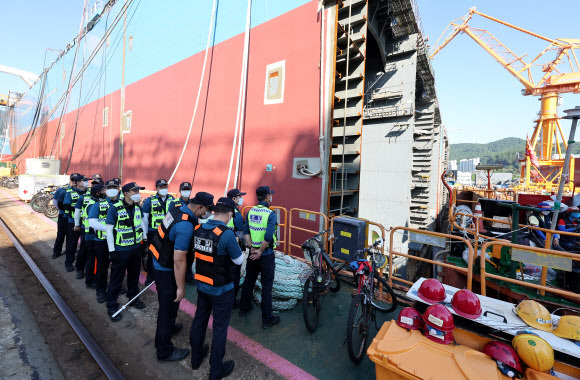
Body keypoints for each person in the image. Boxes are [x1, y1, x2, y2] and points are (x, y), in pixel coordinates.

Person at [148, 191, 215, 363]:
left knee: (171, 305)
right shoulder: (185, 226)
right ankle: (163, 350)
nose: (207, 214)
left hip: (158, 259)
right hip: (166, 268)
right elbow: (179, 261)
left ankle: (170, 327)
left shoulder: (178, 209)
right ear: (200, 207)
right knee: (167, 308)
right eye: (207, 210)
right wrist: (181, 287)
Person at [190, 197, 242, 379]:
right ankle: (216, 370)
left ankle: (195, 359)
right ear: (229, 215)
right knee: (220, 328)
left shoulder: (198, 228)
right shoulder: (226, 234)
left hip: (202, 285)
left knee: (200, 319)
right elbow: (238, 260)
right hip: (222, 289)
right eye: (231, 217)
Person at [105, 182, 148, 321]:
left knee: (134, 276)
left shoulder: (137, 207)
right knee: (116, 278)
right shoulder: (114, 209)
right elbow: (109, 229)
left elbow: (140, 222)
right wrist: (112, 251)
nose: (138, 193)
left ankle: (133, 297)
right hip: (121, 250)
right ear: (126, 193)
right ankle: (111, 306)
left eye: (138, 191)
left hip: (135, 248)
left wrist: (145, 239)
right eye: (135, 191)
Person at [239, 186, 280, 329]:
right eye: (270, 196)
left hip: (252, 254)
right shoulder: (270, 214)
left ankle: (244, 308)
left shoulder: (250, 212)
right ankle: (267, 319)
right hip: (265, 255)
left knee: (249, 281)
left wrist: (252, 249)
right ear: (268, 197)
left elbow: (246, 231)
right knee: (267, 287)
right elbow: (268, 236)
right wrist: (261, 251)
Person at [88, 180, 120, 303]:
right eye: (109, 187)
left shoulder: (122, 204)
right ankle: (101, 291)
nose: (112, 189)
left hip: (118, 241)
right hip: (102, 241)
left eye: (114, 187)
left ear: (118, 189)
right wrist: (111, 230)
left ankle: (114, 287)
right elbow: (92, 222)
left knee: (117, 266)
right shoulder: (98, 205)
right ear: (105, 190)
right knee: (102, 266)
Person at [143, 179, 174, 284]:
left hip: (167, 232)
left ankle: (163, 273)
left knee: (166, 253)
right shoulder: (149, 200)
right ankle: (150, 275)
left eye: (165, 186)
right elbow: (145, 218)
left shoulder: (172, 199)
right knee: (152, 253)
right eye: (161, 187)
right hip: (154, 232)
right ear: (157, 188)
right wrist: (145, 233)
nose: (163, 189)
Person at [75, 184, 106, 289]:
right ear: (97, 193)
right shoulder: (93, 205)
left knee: (94, 259)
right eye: (103, 190)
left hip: (93, 235)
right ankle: (90, 281)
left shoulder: (96, 202)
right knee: (92, 260)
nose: (105, 192)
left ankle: (93, 279)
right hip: (92, 236)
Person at [60, 174, 88, 272]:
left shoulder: (88, 193)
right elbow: (66, 206)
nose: (86, 183)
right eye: (83, 181)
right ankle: (69, 263)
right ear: (77, 183)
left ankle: (81, 265)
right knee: (72, 244)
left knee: (84, 245)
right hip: (72, 222)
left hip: (85, 223)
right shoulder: (70, 193)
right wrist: (79, 209)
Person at [226, 188, 246, 307]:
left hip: (222, 250)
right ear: (234, 199)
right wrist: (244, 249)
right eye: (239, 197)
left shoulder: (223, 212)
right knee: (235, 277)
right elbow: (241, 235)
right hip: (233, 252)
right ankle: (232, 302)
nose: (241, 199)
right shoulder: (237, 215)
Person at [52, 174, 77, 259]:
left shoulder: (80, 191)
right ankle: (56, 251)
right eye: (73, 180)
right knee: (61, 234)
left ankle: (68, 251)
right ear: (70, 180)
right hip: (63, 216)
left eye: (76, 180)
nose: (74, 182)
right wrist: (62, 210)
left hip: (73, 217)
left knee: (71, 235)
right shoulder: (62, 190)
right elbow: (55, 201)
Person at [72, 177, 93, 279]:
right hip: (86, 227)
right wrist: (77, 224)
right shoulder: (83, 197)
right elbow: (77, 211)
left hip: (98, 231)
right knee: (84, 249)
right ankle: (79, 269)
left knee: (92, 252)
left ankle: (90, 271)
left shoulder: (104, 199)